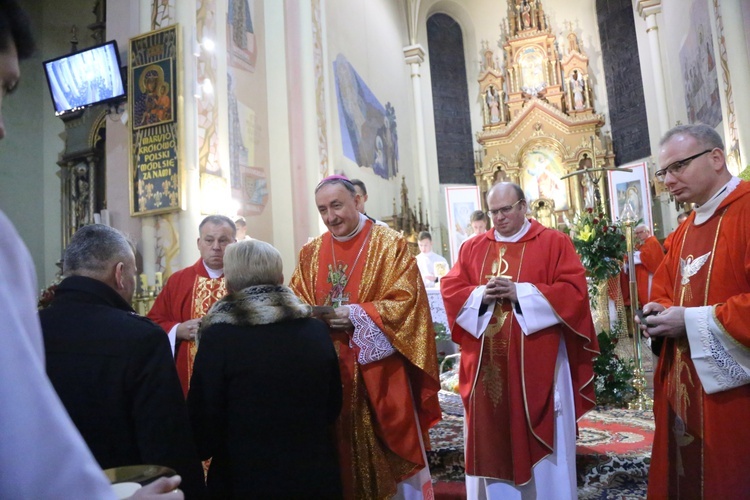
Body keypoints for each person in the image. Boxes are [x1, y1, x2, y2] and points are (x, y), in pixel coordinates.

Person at [0, 2, 184, 497]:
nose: (2, 126)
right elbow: (166, 455)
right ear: (122, 275)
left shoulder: (34, 323)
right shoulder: (138, 338)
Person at [440, 182, 598, 498]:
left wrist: (521, 293)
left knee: (544, 441)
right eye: (493, 211)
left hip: (540, 367)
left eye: (506, 209)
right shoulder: (472, 248)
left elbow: (574, 293)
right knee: (491, 437)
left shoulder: (553, 242)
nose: (498, 217)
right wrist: (480, 295)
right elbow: (451, 290)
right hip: (487, 370)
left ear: (523, 206)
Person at [289, 175, 441, 499]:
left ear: (357, 201)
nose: (331, 217)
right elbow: (296, 300)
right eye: (323, 210)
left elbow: (409, 304)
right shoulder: (310, 253)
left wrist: (358, 314)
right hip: (327, 373)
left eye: (337, 206)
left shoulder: (390, 244)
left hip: (377, 374)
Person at [39, 225, 206, 498]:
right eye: (133, 273)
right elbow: (166, 441)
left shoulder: (25, 331)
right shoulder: (140, 338)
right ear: (120, 274)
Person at [638, 124, 750, 497]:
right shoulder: (686, 229)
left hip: (735, 395)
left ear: (716, 158)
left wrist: (688, 320)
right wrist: (659, 312)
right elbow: (669, 289)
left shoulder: (747, 210)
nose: (668, 180)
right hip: (686, 383)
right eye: (663, 172)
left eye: (678, 167)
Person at [188, 239, 342, 498]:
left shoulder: (220, 336)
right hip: (313, 476)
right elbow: (332, 405)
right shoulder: (315, 330)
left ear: (229, 284)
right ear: (281, 278)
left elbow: (204, 421)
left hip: (244, 478)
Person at [148, 215, 236, 396]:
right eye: (209, 240)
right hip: (187, 375)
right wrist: (177, 330)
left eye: (223, 241)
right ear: (199, 242)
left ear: (235, 242)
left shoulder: (244, 278)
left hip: (235, 369)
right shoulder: (179, 280)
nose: (216, 247)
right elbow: (152, 323)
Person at [632, 224, 664, 308]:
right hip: (643, 274)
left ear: (648, 232)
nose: (638, 235)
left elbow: (651, 258)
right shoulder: (643, 243)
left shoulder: (652, 241)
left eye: (640, 232)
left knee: (650, 296)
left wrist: (635, 255)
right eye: (637, 233)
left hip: (650, 275)